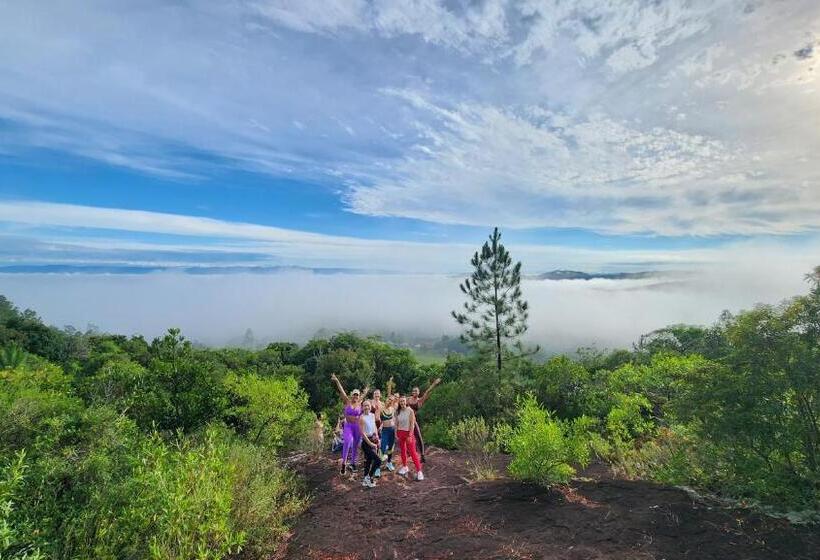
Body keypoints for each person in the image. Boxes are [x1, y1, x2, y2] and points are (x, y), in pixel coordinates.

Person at [330, 373, 365, 475]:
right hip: (348, 426)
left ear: (358, 396)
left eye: (357, 395)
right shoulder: (347, 401)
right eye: (354, 394)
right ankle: (344, 463)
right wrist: (337, 380)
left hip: (357, 426)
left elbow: (364, 395)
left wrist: (366, 390)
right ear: (352, 395)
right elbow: (341, 390)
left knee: (355, 445)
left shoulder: (360, 403)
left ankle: (353, 463)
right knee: (347, 442)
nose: (355, 396)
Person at [406, 378, 441, 463]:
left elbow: (427, 392)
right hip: (405, 421)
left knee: (418, 436)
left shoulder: (420, 400)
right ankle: (409, 452)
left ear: (419, 392)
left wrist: (434, 384)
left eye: (416, 391)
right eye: (413, 391)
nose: (414, 392)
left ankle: (422, 455)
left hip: (413, 421)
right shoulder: (408, 399)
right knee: (407, 437)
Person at [395, 395, 423, 481]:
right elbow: (396, 423)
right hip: (400, 433)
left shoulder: (410, 410)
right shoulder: (398, 411)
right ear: (399, 402)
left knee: (413, 452)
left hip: (408, 433)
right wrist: (396, 433)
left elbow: (412, 424)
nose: (402, 403)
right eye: (401, 401)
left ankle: (419, 471)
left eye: (403, 401)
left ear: (406, 402)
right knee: (403, 451)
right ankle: (405, 467)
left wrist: (410, 435)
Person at [359, 400, 380, 488]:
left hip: (373, 439)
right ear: (362, 407)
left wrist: (377, 437)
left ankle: (365, 479)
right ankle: (369, 476)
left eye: (368, 405)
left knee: (368, 461)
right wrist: (371, 444)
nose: (366, 407)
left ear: (370, 406)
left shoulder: (372, 415)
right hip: (366, 442)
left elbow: (374, 427)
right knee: (378, 460)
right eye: (365, 406)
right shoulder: (361, 418)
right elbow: (362, 434)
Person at [378, 393, 398, 473]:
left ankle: (389, 462)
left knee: (391, 447)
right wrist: (380, 427)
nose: (390, 401)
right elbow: (378, 420)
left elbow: (395, 420)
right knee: (382, 448)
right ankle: (377, 467)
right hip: (385, 430)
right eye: (389, 399)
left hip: (392, 430)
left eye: (392, 400)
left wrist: (396, 430)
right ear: (386, 399)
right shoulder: (381, 409)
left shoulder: (393, 409)